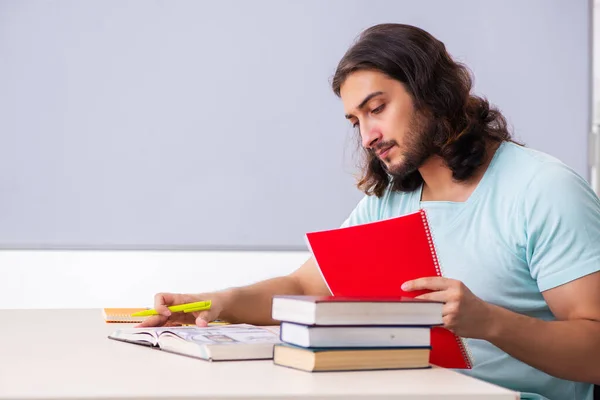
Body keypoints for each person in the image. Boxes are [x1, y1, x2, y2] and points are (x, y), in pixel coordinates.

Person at [139, 24, 600, 400]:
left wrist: (490, 322)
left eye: (376, 109)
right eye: (355, 121)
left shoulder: (543, 190)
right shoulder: (392, 198)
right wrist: (217, 304)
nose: (366, 136)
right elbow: (304, 285)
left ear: (432, 92)